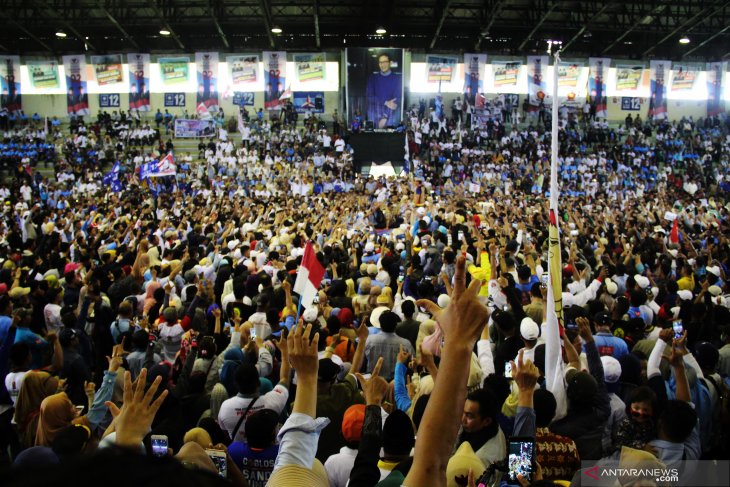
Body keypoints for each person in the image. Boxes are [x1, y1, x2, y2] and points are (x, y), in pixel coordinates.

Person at [365, 52, 402, 128]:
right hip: (374, 113)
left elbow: (396, 99)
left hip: (390, 114)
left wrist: (385, 116)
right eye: (380, 62)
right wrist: (385, 102)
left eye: (385, 62)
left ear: (390, 63)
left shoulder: (397, 79)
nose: (382, 64)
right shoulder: (372, 78)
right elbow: (369, 96)